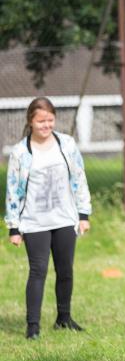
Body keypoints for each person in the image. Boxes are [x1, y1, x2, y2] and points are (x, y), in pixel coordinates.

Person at [5, 97, 92, 340]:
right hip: (34, 223)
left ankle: (64, 318)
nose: (46, 125)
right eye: (41, 121)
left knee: (65, 271)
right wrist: (14, 227)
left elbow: (79, 178)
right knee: (38, 270)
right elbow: (13, 190)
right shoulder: (20, 152)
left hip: (65, 219)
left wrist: (83, 214)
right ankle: (32, 326)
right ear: (30, 122)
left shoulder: (67, 144)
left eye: (50, 120)